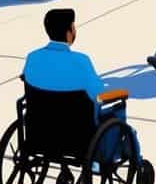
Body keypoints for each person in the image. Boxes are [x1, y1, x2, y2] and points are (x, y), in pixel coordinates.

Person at [23, 9, 128, 147]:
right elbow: (98, 94)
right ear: (68, 33)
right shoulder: (81, 61)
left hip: (40, 133)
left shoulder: (32, 58)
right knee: (120, 116)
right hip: (78, 137)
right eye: (73, 27)